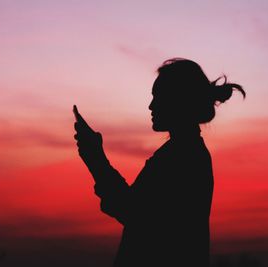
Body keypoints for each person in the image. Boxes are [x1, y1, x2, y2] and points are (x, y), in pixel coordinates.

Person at [73, 58, 245, 267]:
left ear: (179, 100)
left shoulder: (181, 157)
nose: (151, 105)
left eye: (159, 97)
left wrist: (96, 159)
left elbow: (132, 212)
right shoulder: (185, 153)